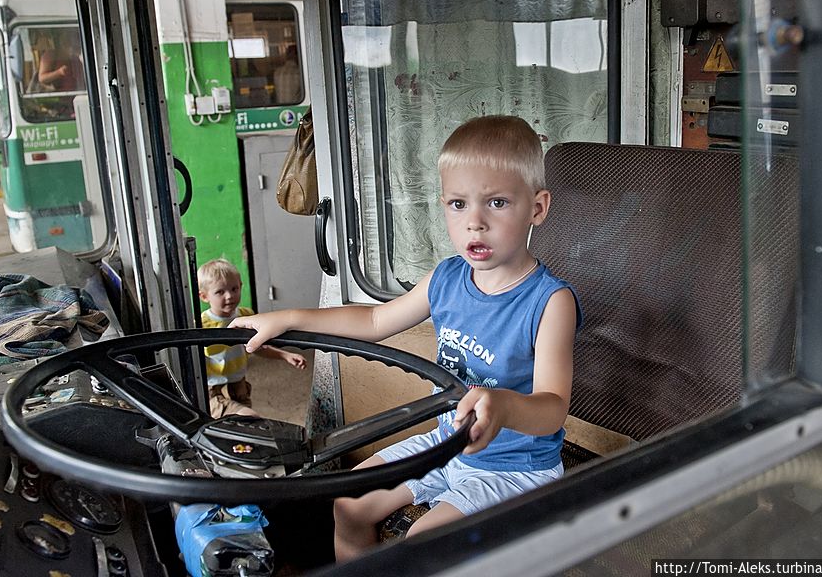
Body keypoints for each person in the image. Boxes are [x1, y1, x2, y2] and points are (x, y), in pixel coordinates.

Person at [230, 115, 581, 561]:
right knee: (349, 504)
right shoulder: (446, 278)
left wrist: (504, 406)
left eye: (496, 202)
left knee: (423, 546)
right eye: (458, 204)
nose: (474, 222)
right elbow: (376, 322)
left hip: (514, 466)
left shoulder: (550, 302)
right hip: (445, 443)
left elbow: (552, 410)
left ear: (537, 207)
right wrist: (289, 317)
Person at [197, 258, 307, 419]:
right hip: (212, 388)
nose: (229, 296)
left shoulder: (247, 316)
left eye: (234, 289)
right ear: (204, 296)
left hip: (239, 383)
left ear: (241, 286)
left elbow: (256, 347)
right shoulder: (201, 324)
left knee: (239, 428)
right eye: (220, 292)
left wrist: (284, 355)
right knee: (249, 418)